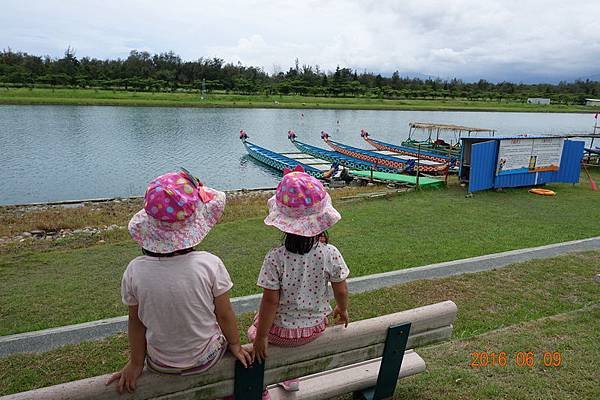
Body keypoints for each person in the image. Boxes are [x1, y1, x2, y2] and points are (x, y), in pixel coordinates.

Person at [106, 170, 252, 394]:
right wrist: (234, 344)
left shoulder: (135, 270)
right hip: (207, 357)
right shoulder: (209, 264)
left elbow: (136, 322)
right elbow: (224, 314)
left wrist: (136, 363)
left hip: (161, 363)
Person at [249, 166, 350, 398]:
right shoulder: (330, 253)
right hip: (315, 327)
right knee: (261, 324)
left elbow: (270, 302)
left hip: (282, 333)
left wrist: (261, 336)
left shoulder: (275, 258)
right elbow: (341, 289)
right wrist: (342, 309)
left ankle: (263, 386)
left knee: (252, 331)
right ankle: (291, 377)